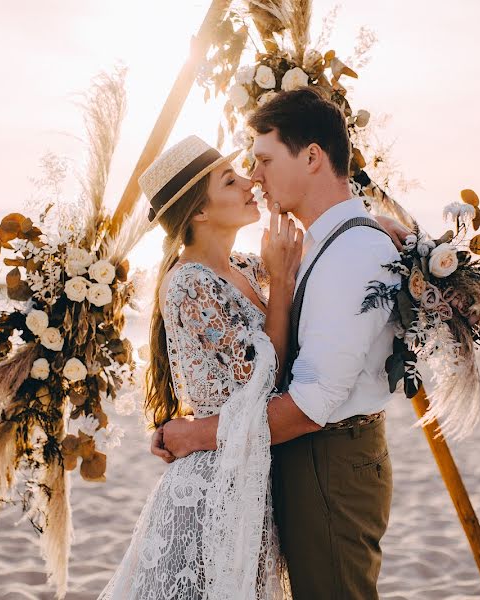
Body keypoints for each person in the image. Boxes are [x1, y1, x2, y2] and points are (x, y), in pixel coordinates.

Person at [158, 88, 405, 600]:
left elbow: (313, 402)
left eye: (264, 160)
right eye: (242, 170)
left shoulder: (351, 250)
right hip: (275, 463)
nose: (255, 176)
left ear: (312, 156)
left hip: (326, 460)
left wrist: (195, 434)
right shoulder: (322, 243)